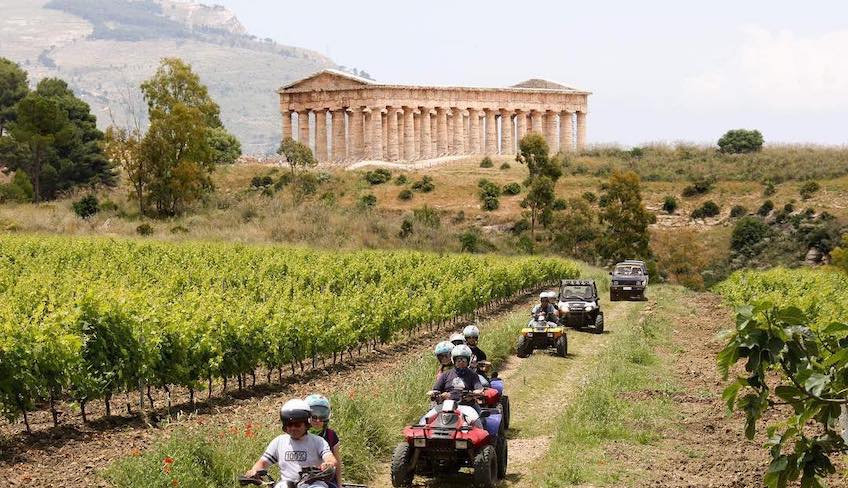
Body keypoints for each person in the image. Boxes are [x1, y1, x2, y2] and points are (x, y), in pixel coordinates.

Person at [245, 398, 339, 488]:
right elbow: (263, 462)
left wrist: (328, 464)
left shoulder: (318, 441)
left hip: (313, 484)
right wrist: (254, 471)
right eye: (289, 425)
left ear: (307, 424)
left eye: (297, 424)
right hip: (286, 485)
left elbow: (330, 458)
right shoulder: (279, 442)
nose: (293, 428)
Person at [305, 394, 342, 488]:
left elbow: (337, 461)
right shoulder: (298, 435)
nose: (318, 420)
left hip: (326, 480)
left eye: (323, 415)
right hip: (301, 479)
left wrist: (339, 484)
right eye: (314, 416)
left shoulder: (330, 435)